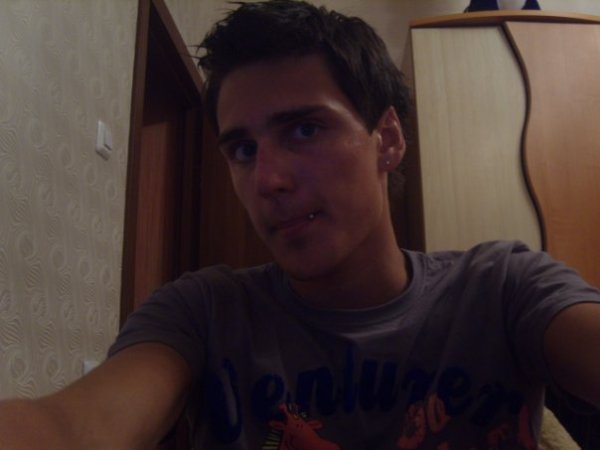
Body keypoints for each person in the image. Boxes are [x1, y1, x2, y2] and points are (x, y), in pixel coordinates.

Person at [1, 1, 599, 449]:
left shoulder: (502, 288)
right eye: (242, 150)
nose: (267, 180)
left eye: (305, 130)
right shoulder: (203, 313)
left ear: (387, 139)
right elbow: (75, 428)